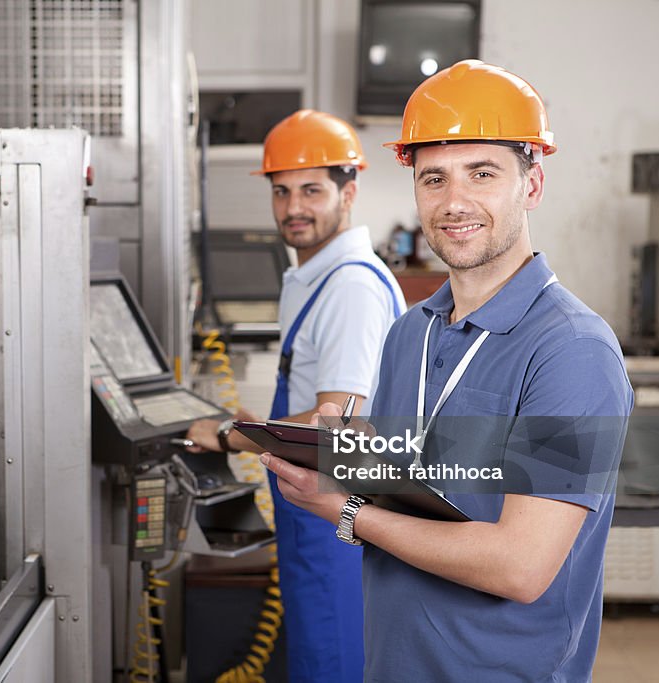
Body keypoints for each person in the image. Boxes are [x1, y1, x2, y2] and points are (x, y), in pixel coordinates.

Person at [261, 61, 634, 682]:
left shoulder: (573, 352)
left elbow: (521, 565)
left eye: (482, 173)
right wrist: (342, 454)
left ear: (532, 185)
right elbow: (413, 485)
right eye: (434, 178)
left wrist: (347, 512)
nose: (454, 202)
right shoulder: (410, 333)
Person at [186, 109, 406, 682]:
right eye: (281, 191)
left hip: (337, 518)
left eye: (312, 190)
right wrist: (270, 423)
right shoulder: (316, 276)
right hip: (313, 508)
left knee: (333, 663)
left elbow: (338, 423)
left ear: (348, 192)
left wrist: (232, 436)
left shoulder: (351, 285)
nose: (293, 208)